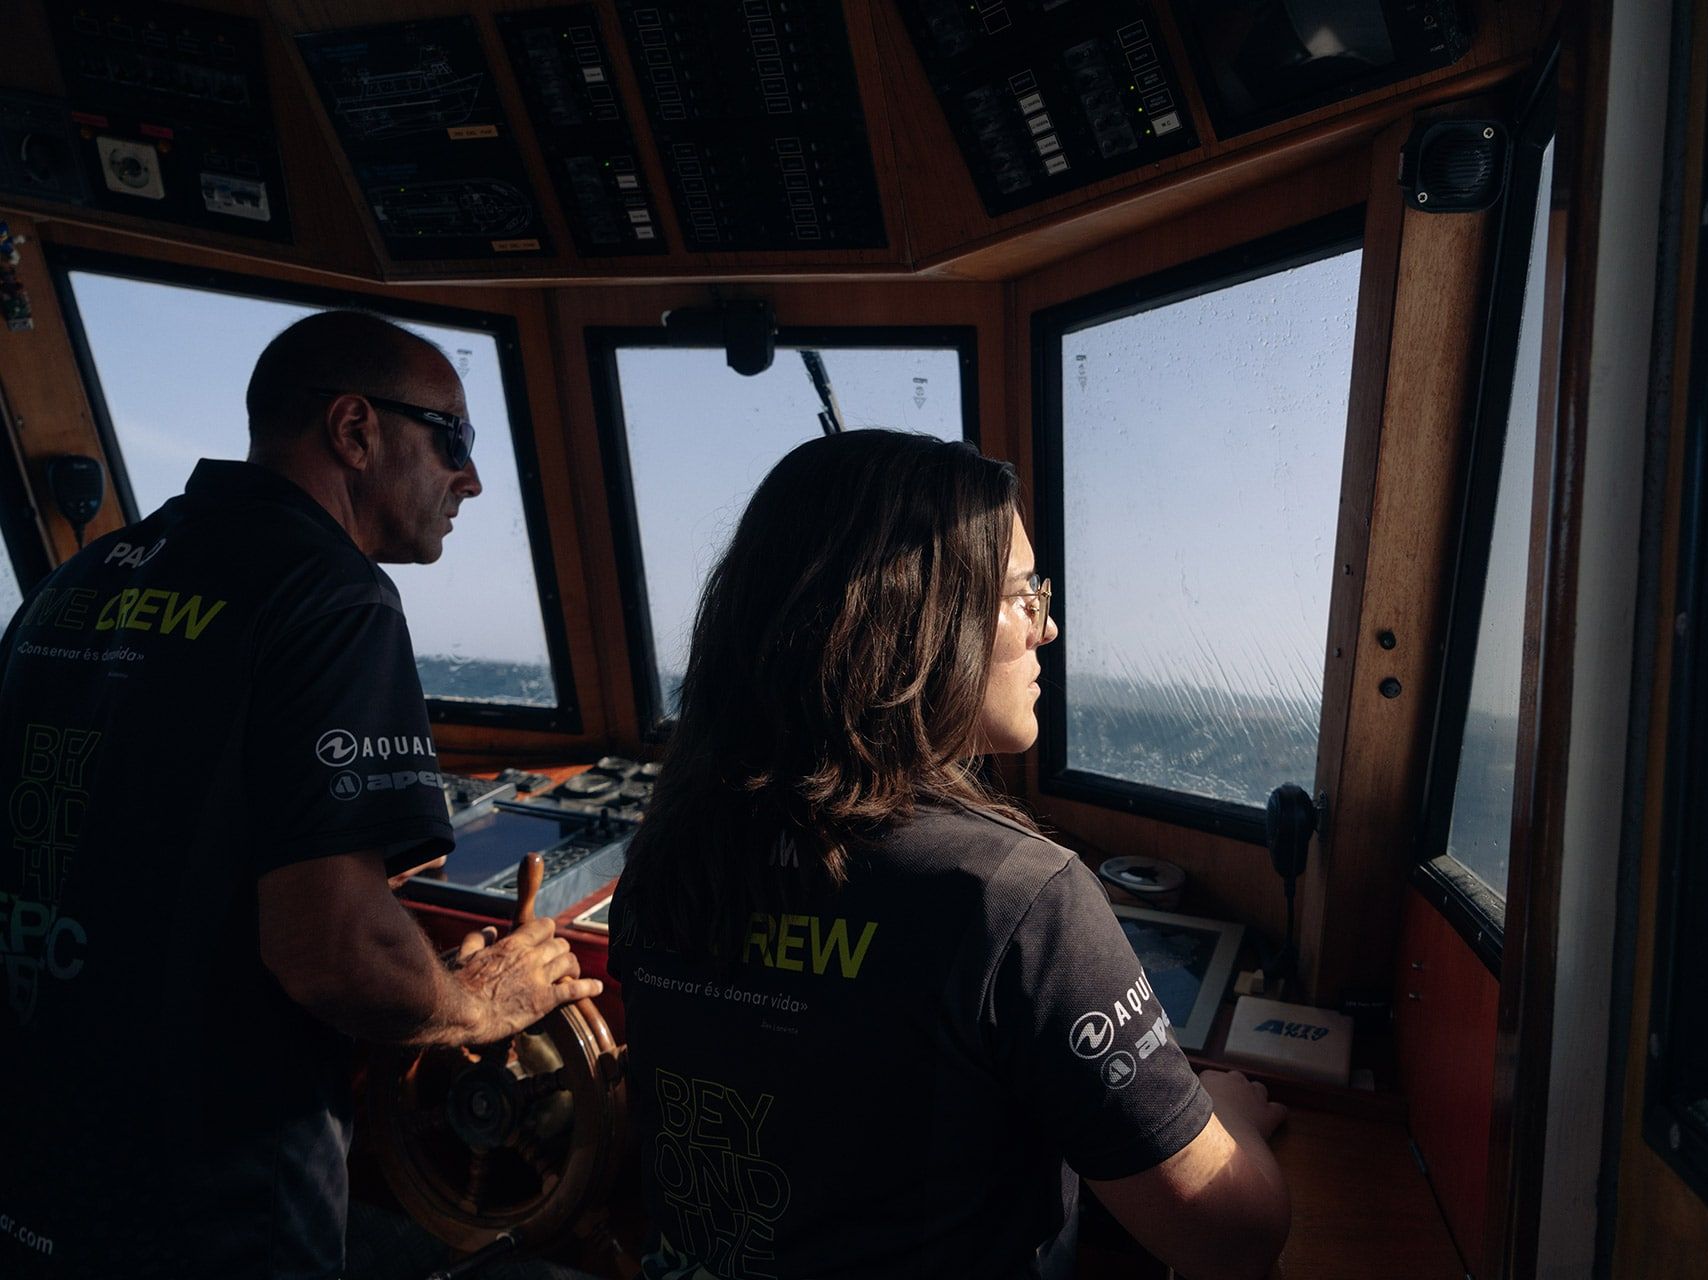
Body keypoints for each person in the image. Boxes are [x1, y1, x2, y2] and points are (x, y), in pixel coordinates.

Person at [0, 310, 601, 1279]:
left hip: (37, 1164)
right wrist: (477, 1005)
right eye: (454, 436)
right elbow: (333, 950)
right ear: (356, 429)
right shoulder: (331, 595)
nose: (472, 476)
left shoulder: (68, 588)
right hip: (210, 1201)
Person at [608, 430, 1290, 1280]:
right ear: (919, 625)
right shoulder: (1014, 899)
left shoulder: (668, 849)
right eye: (1023, 596)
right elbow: (1231, 1238)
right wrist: (1229, 1116)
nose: (1048, 628)